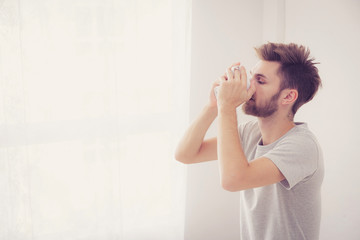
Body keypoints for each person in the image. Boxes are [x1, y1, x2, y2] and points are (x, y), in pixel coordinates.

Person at [175, 42, 324, 240]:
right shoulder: (250, 132)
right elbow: (186, 154)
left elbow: (233, 180)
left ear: (288, 96)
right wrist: (213, 105)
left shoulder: (302, 146)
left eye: (260, 81)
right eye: (251, 76)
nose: (249, 85)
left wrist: (226, 106)